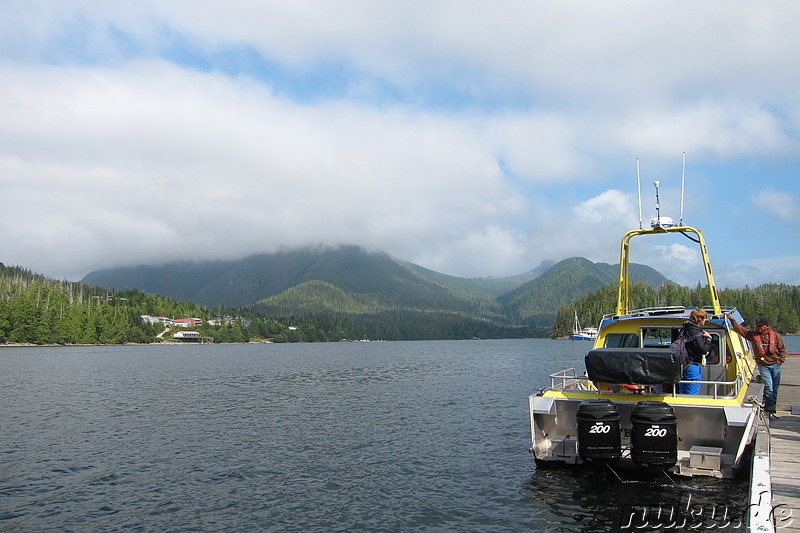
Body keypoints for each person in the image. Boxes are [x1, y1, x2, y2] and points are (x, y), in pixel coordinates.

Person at [724, 314, 787, 414]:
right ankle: (769, 406)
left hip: (775, 364)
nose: (758, 328)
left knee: (775, 387)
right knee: (768, 386)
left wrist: (780, 361)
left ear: (766, 326)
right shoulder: (752, 335)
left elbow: (782, 349)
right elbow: (741, 330)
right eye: (757, 326)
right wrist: (732, 320)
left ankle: (772, 405)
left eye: (760, 326)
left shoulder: (776, 336)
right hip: (763, 365)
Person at [679, 309, 713, 395]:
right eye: (704, 319)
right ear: (700, 319)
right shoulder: (696, 331)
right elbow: (704, 350)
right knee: (692, 392)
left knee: (682, 391)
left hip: (682, 364)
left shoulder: (683, 329)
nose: (705, 321)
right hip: (692, 364)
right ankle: (691, 408)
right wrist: (708, 339)